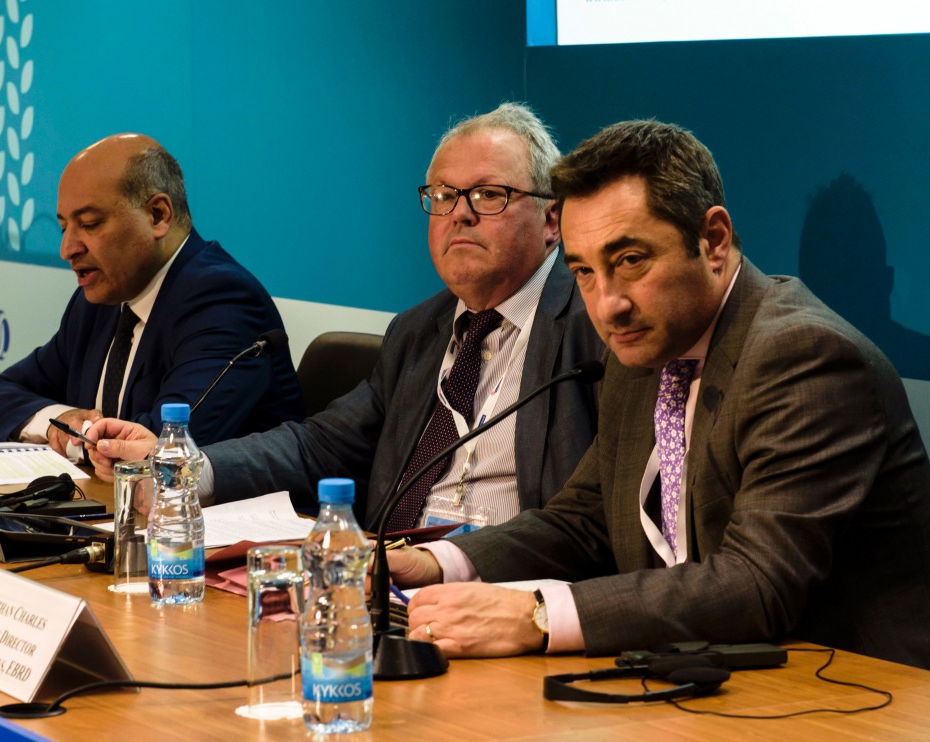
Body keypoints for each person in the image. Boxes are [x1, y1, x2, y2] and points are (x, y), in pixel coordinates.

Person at [390, 120, 930, 669]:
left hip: (859, 691)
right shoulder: (645, 348)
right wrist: (434, 562)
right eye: (584, 271)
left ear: (713, 241)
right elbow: (585, 519)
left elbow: (756, 582)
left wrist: (535, 615)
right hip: (712, 678)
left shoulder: (804, 357)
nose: (608, 304)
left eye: (630, 261)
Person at [84, 103, 604, 531]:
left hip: (505, 596)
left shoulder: (592, 329)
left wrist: (451, 567)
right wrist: (187, 466)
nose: (459, 213)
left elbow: (589, 521)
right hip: (388, 588)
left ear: (552, 219)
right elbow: (319, 446)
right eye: (443, 196)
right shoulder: (419, 330)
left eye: (489, 195)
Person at [0, 133, 305, 454]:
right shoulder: (100, 300)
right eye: (63, 227)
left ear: (158, 215)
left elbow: (162, 445)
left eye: (89, 223)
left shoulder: (222, 300)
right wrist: (56, 423)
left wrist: (80, 437)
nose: (67, 248)